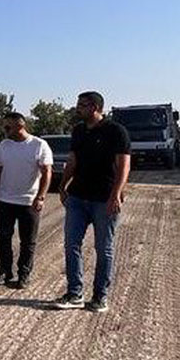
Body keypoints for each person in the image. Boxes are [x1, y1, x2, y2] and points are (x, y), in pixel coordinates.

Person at [53, 91, 131, 313]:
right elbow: (73, 160)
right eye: (78, 104)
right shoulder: (78, 131)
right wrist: (62, 185)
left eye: (82, 105)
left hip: (104, 199)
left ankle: (100, 296)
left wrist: (116, 194)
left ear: (95, 107)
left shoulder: (116, 131)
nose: (78, 108)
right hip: (78, 197)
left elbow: (124, 165)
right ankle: (75, 293)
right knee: (71, 245)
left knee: (103, 248)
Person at [0, 112, 53, 289]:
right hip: (5, 200)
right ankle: (4, 270)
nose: (5, 130)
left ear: (20, 126)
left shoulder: (38, 145)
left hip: (29, 202)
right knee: (3, 237)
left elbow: (47, 172)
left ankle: (24, 274)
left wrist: (41, 197)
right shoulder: (4, 145)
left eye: (8, 126)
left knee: (28, 241)